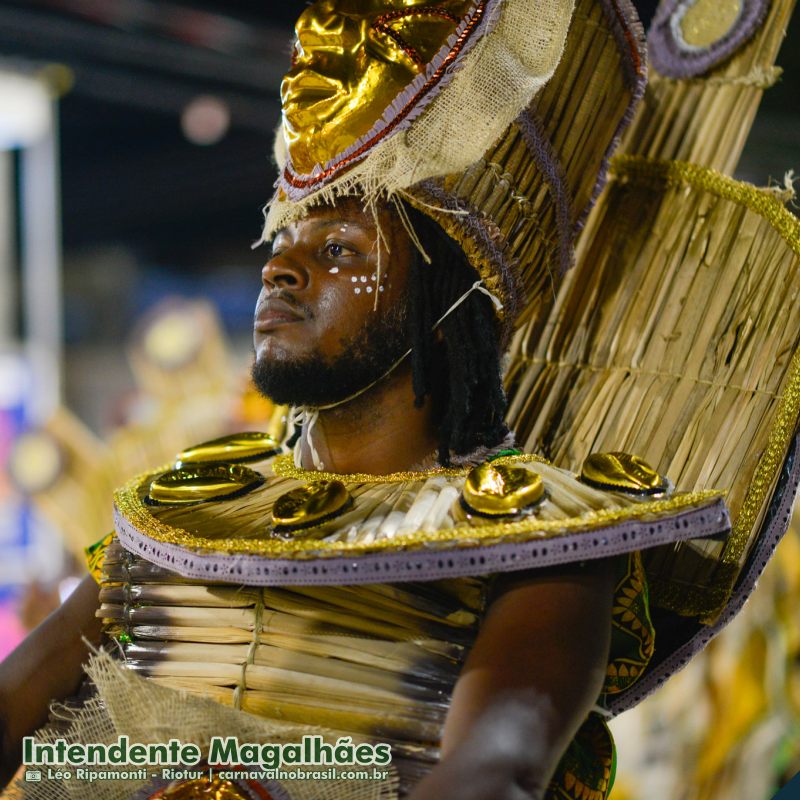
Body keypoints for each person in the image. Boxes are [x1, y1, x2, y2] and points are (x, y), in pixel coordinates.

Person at [0, 0, 765, 798]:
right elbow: (17, 700)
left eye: (339, 251)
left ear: (443, 314)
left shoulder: (542, 544)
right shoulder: (186, 511)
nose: (280, 270)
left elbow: (492, 776)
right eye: (284, 245)